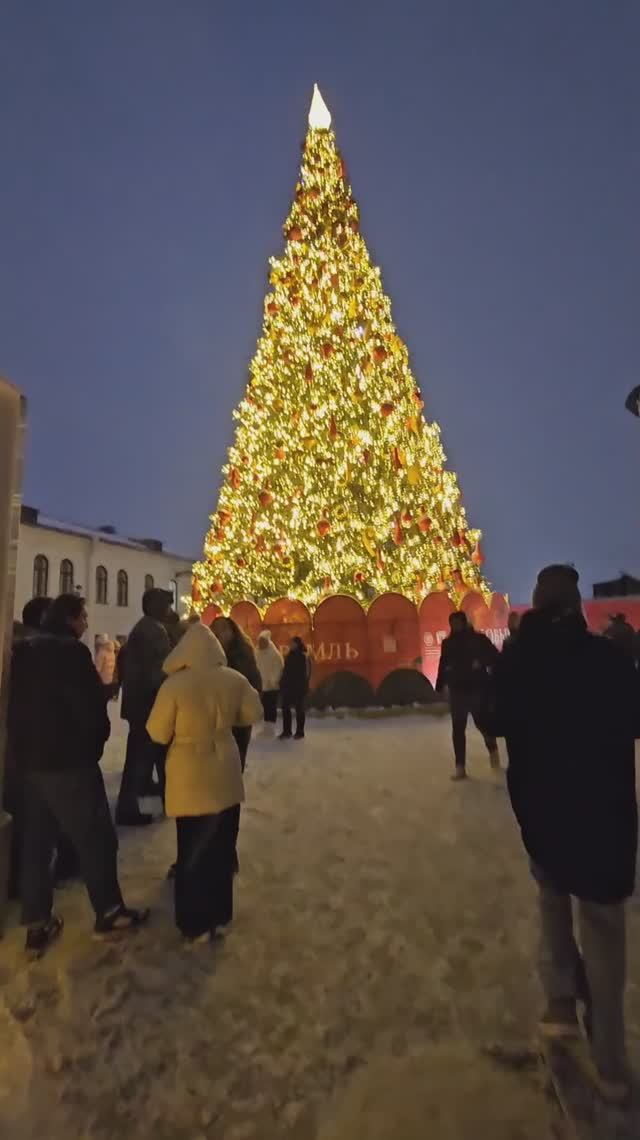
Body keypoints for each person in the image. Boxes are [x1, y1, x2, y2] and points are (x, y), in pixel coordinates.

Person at [491, 565, 638, 1103]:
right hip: (604, 820)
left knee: (552, 899)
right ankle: (612, 1063)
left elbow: (493, 717)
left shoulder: (524, 663)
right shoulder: (608, 661)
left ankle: (559, 1008)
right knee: (602, 932)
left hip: (545, 815)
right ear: (577, 607)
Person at [8, 594, 148, 957]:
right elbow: (87, 707)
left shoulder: (24, 652)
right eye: (83, 616)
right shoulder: (71, 654)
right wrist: (93, 745)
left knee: (36, 844)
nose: (86, 623)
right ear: (70, 619)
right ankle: (109, 911)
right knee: (96, 837)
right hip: (69, 763)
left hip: (30, 764)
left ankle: (36, 923)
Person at [147, 623, 262, 944]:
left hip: (188, 772)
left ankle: (192, 920)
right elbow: (254, 711)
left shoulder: (174, 686)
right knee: (222, 847)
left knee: (191, 849)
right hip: (224, 768)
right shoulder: (234, 679)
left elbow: (157, 731)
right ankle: (220, 915)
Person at [5, 597, 53, 899]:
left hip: (16, 744)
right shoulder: (36, 650)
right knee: (31, 819)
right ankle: (23, 884)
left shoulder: (17, 645)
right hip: (30, 747)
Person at [117, 588, 173, 825]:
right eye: (166, 605)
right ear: (155, 606)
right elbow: (158, 671)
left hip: (139, 705)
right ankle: (132, 809)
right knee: (142, 760)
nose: (169, 610)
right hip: (148, 706)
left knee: (141, 759)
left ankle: (141, 801)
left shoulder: (143, 627)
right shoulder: (154, 631)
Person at [435, 611, 500, 779]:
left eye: (458, 622)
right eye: (453, 623)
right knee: (458, 729)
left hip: (476, 689)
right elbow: (443, 662)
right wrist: (440, 684)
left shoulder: (478, 640)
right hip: (457, 691)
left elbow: (494, 656)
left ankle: (493, 751)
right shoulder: (448, 643)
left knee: (482, 724)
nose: (455, 626)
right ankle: (460, 766)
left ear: (464, 622)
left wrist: (481, 664)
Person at [211, 617, 262, 771]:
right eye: (216, 629)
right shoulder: (207, 653)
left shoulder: (242, 651)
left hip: (238, 712)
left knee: (237, 755)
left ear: (233, 631)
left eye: (224, 629)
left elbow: (251, 680)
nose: (220, 633)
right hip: (216, 714)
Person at [279, 636, 310, 740]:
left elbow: (306, 673)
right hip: (288, 687)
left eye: (293, 643)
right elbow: (286, 671)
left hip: (298, 687)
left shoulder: (303, 656)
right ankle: (287, 731)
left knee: (299, 709)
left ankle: (300, 732)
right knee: (285, 708)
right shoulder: (289, 656)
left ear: (297, 644)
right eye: (290, 643)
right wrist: (283, 683)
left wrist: (303, 686)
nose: (291, 645)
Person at [255, 630, 283, 737]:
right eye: (259, 641)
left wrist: (273, 681)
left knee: (270, 707)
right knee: (264, 708)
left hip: (271, 687)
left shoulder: (274, 654)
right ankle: (266, 729)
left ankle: (270, 730)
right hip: (261, 686)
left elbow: (278, 668)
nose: (260, 644)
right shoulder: (256, 652)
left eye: (262, 641)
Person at [95, 634, 118, 699]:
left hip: (101, 682)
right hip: (109, 681)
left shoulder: (102, 653)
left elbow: (97, 669)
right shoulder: (112, 652)